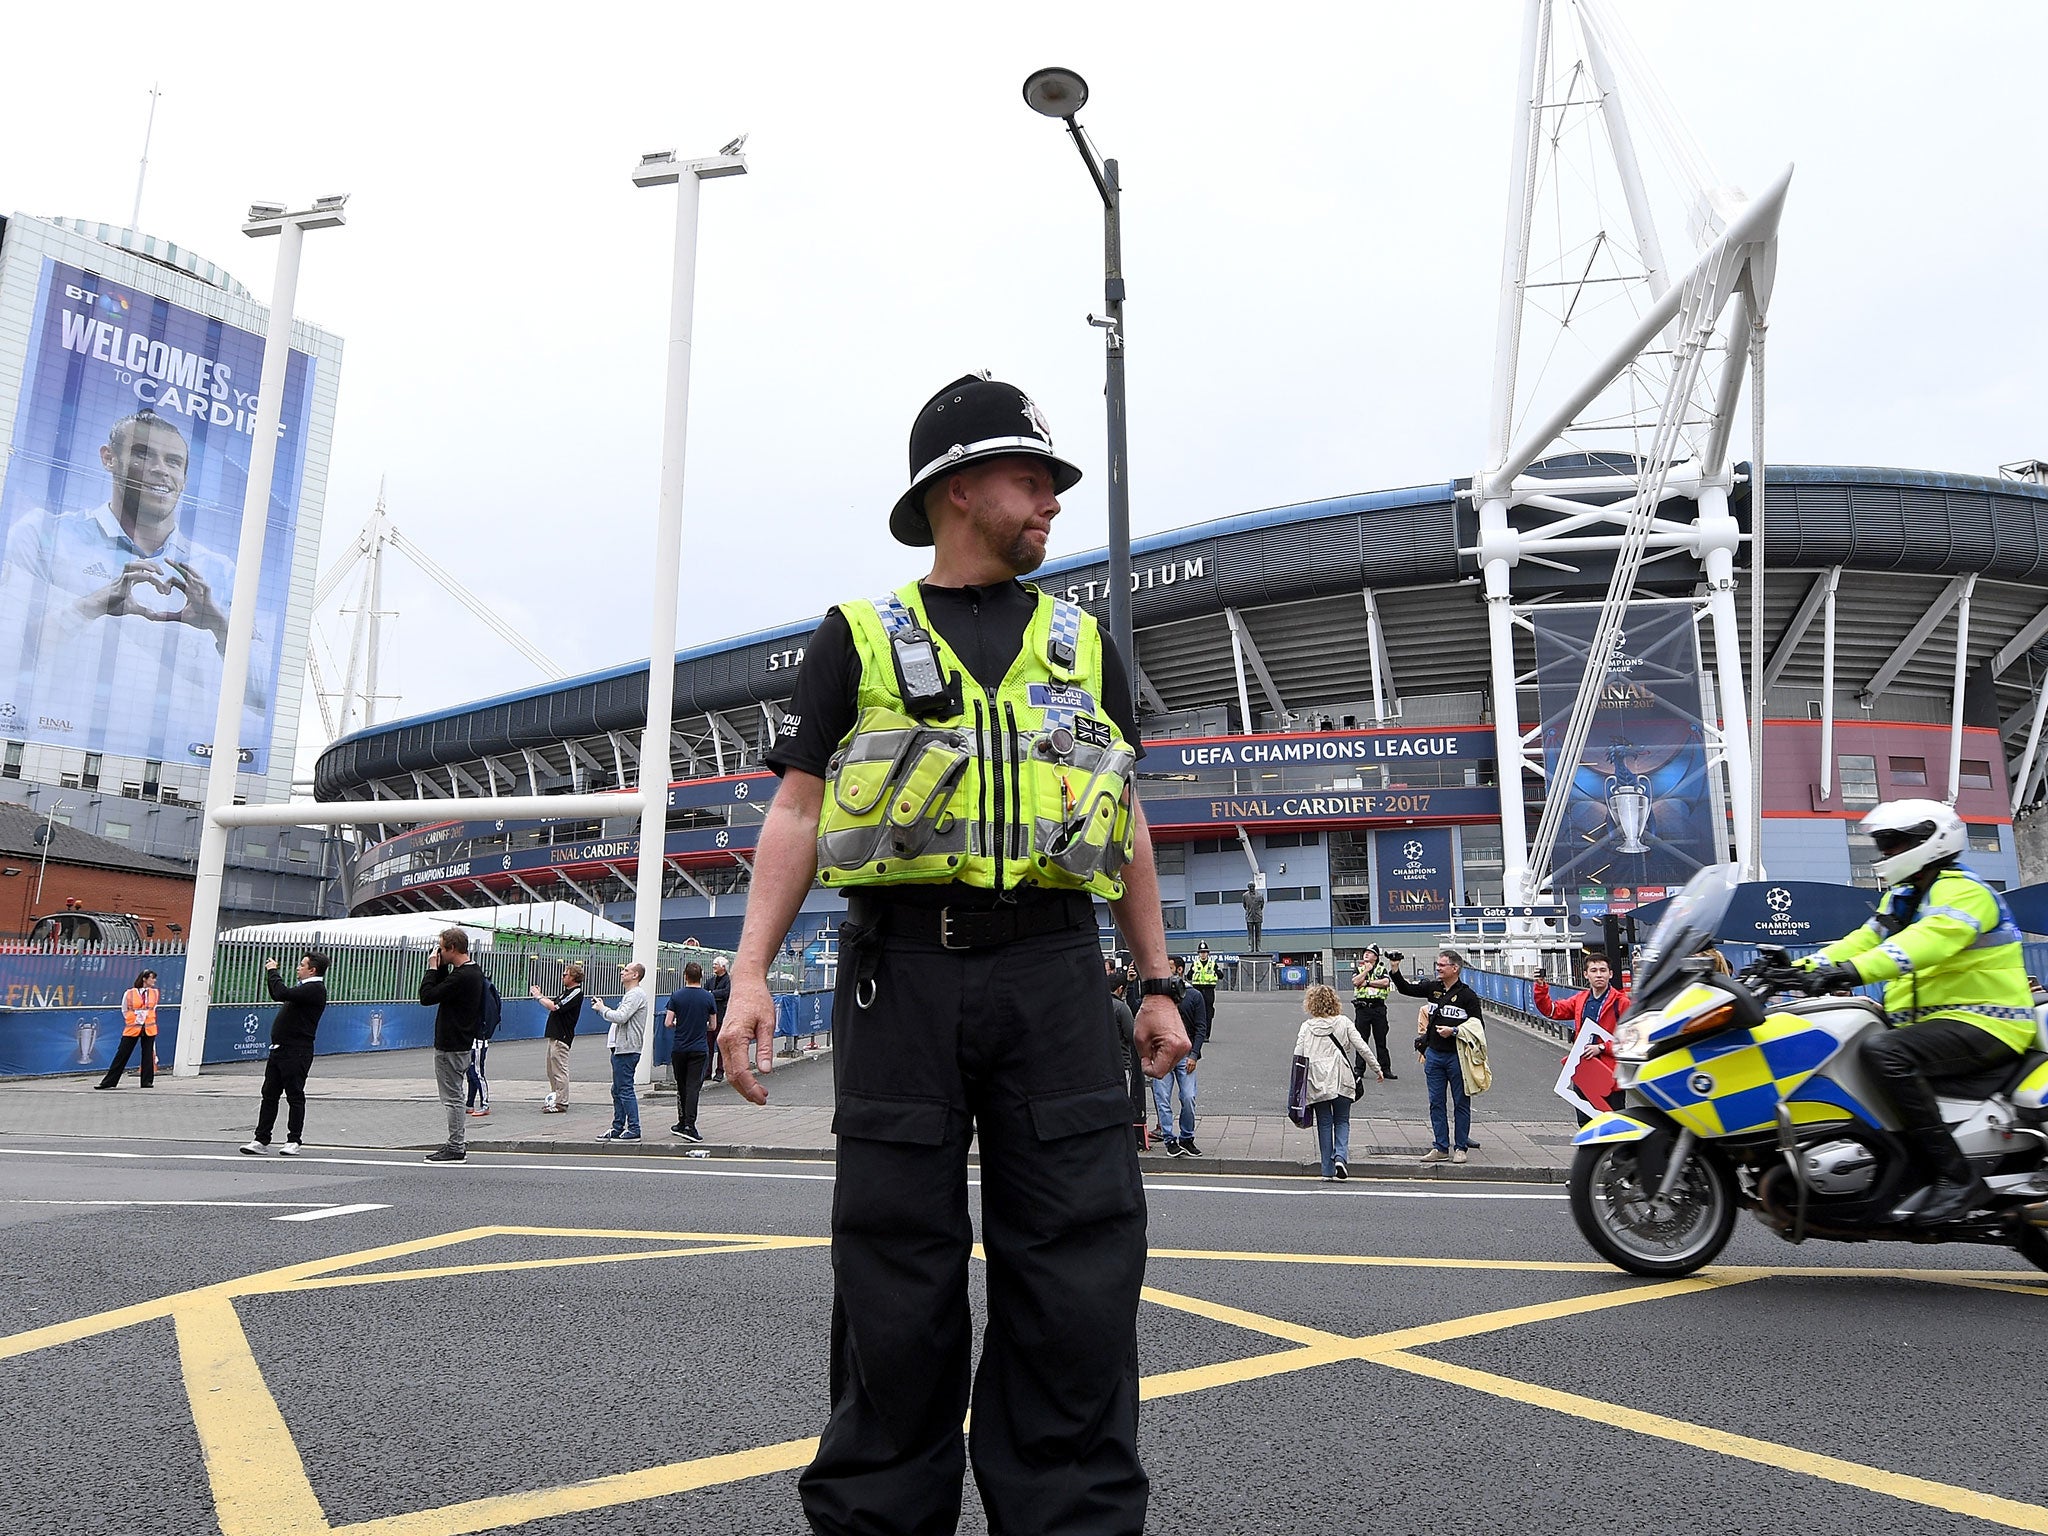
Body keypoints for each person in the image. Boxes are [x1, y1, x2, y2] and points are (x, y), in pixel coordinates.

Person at [719, 372, 1190, 1536]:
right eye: (1032, 481)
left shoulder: (1084, 646)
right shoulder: (858, 637)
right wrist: (745, 973)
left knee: (1078, 1270)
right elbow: (795, 811)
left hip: (1055, 974)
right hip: (900, 977)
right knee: (895, 1276)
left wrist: (1158, 979)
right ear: (959, 487)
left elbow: (1121, 816)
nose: (1050, 505)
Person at [1795, 799, 2036, 1225]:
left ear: (1931, 841)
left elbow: (1924, 944)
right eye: (1884, 844)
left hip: (1987, 1022)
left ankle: (1957, 1177)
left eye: (1893, 843)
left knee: (1884, 1053)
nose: (1885, 853)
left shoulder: (1965, 892)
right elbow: (1859, 942)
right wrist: (1794, 970)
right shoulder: (1904, 898)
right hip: (1936, 1025)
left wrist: (1849, 973)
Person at [0, 410, 273, 761]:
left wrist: (221, 626)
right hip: (42, 749)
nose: (161, 469)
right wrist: (88, 607)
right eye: (144, 454)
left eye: (173, 461)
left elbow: (266, 698)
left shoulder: (221, 572)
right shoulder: (42, 535)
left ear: (184, 479)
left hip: (179, 764)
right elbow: (7, 650)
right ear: (108, 458)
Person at [1393, 948, 1486, 1164]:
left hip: (1457, 1056)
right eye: (1438, 964)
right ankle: (1440, 1147)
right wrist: (1395, 969)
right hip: (1434, 1055)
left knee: (1461, 1103)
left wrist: (1454, 1031)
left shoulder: (1467, 996)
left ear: (1455, 968)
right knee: (1436, 1102)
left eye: (1443, 965)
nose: (1438, 968)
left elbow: (1478, 1026)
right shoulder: (1433, 988)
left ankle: (1460, 1148)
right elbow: (1406, 988)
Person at [239, 952, 330, 1156]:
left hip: (297, 1050)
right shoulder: (303, 989)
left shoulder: (314, 989)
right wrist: (273, 976)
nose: (298, 968)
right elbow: (277, 994)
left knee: (294, 1095)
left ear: (312, 969)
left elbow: (281, 993)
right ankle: (261, 1139)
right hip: (279, 1049)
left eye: (302, 965)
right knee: (269, 1094)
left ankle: (294, 1140)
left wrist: (273, 971)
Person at [1293, 982, 1378, 1179]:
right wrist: (1377, 1068)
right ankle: (1340, 1156)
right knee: (1342, 1120)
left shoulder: (1306, 1027)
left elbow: (1298, 1055)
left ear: (1311, 1004)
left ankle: (1327, 1170)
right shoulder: (1344, 1022)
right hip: (1341, 1077)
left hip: (1318, 1080)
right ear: (1334, 1002)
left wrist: (1297, 1085)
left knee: (1324, 1122)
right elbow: (1362, 1047)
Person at [1534, 952, 1630, 1123]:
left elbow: (1631, 1038)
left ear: (1610, 974)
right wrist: (1541, 987)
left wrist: (1601, 1047)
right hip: (1584, 1069)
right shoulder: (1581, 1000)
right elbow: (1552, 1010)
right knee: (1585, 1123)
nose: (1599, 974)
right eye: (1594, 970)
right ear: (1586, 974)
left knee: (1614, 1123)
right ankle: (1590, 1150)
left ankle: (1618, 1150)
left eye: (1603, 970)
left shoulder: (1621, 1003)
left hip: (1610, 1072)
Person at [418, 928, 485, 1164]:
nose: (438, 951)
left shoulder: (461, 977)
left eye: (441, 947)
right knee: (455, 1095)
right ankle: (455, 1144)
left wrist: (431, 968)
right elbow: (444, 990)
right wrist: (442, 968)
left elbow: (427, 996)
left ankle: (456, 1146)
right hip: (462, 1042)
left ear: (452, 949)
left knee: (453, 1098)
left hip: (451, 1045)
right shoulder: (471, 971)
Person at [1154, 954, 1208, 1157]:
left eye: (1168, 968)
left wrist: (1194, 1054)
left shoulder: (1194, 996)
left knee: (1188, 1097)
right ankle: (1169, 1139)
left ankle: (1187, 1137)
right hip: (1163, 1055)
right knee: (1162, 1098)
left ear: (1179, 970)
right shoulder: (1159, 994)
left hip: (1186, 1055)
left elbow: (1201, 1027)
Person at [591, 961, 650, 1142]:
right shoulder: (631, 995)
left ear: (635, 975)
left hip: (627, 1049)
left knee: (624, 1089)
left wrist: (603, 1009)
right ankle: (617, 1127)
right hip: (621, 1048)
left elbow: (621, 1017)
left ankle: (633, 1128)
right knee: (617, 1089)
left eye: (626, 970)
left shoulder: (635, 995)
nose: (622, 973)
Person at [664, 961, 717, 1141]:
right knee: (694, 1087)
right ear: (701, 976)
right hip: (699, 1048)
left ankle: (680, 1121)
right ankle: (690, 1125)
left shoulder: (676, 996)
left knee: (681, 1086)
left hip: (680, 1047)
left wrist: (680, 1023)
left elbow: (668, 1022)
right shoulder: (708, 997)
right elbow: (713, 1025)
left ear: (685, 976)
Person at [95, 969, 162, 1089]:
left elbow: (153, 1008)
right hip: (133, 1027)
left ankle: (147, 1081)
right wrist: (133, 1019)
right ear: (144, 979)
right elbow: (124, 1009)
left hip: (149, 1027)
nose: (154, 980)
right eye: (152, 978)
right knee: (122, 1053)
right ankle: (109, 1081)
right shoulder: (129, 993)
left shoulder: (155, 993)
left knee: (147, 1055)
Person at [531, 963, 584, 1113]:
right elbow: (553, 1002)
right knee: (551, 1070)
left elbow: (555, 1007)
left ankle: (561, 1102)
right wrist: (540, 996)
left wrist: (538, 996)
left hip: (562, 1035)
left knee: (560, 1070)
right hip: (555, 1035)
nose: (562, 977)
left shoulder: (576, 992)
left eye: (565, 975)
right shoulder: (565, 992)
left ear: (573, 977)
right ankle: (555, 1098)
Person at [1350, 945, 1396, 1080]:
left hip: (1378, 1008)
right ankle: (1359, 1069)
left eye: (1370, 953)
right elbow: (1355, 981)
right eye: (1365, 952)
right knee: (1361, 1040)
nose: (1366, 955)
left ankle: (1385, 1069)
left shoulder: (1382, 969)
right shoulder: (1359, 969)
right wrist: (1366, 971)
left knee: (1381, 1041)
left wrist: (1368, 982)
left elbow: (1386, 982)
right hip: (1362, 1009)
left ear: (1376, 957)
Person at [706, 954, 732, 1083]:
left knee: (721, 1044)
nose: (713, 966)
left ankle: (720, 1071)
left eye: (716, 964)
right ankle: (707, 1071)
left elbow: (726, 993)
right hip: (710, 1017)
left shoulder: (729, 980)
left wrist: (712, 994)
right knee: (708, 1044)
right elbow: (705, 993)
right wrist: (715, 995)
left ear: (723, 967)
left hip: (722, 1016)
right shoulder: (710, 980)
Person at [1189, 941, 1219, 1036]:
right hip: (1197, 990)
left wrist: (1216, 972)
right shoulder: (1195, 964)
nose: (1203, 954)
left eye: (1205, 952)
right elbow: (1189, 976)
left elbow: (1220, 975)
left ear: (1208, 953)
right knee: (1196, 1012)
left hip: (1209, 990)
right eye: (1201, 952)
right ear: (1198, 953)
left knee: (1208, 1012)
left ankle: (1206, 1034)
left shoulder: (1212, 964)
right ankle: (1197, 1033)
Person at [1240, 879, 1266, 952]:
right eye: (1250, 886)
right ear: (1248, 887)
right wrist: (1249, 911)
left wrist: (1258, 911)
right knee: (1250, 933)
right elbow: (1244, 905)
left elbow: (1262, 905)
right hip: (1249, 916)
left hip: (1258, 916)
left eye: (1252, 886)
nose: (1251, 888)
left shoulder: (1260, 895)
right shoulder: (1245, 895)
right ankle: (1250, 947)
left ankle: (1258, 948)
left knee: (1258, 933)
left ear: (1255, 886)